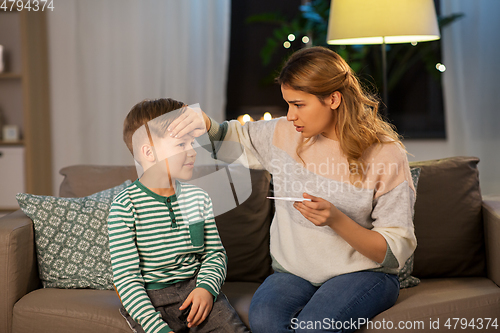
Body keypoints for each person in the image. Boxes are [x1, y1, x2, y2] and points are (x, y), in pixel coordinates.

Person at [167, 46, 417, 333]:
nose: (290, 116)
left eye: (299, 105)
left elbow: (394, 251)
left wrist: (335, 219)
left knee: (313, 327)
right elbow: (228, 141)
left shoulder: (385, 154)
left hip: (365, 274)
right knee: (264, 320)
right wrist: (205, 123)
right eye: (288, 104)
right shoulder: (284, 134)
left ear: (333, 99)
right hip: (294, 273)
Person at [107, 98, 249, 333]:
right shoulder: (125, 206)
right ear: (149, 152)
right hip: (149, 300)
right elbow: (126, 280)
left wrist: (206, 289)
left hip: (195, 291)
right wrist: (156, 328)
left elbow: (215, 254)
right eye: (182, 145)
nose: (193, 152)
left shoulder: (199, 199)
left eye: (192, 143)